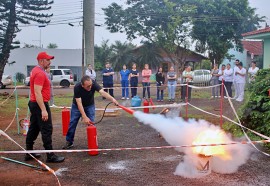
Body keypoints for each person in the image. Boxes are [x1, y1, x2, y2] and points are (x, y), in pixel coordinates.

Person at [25, 52, 65, 163]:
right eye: (48, 60)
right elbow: (38, 93)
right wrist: (43, 110)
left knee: (34, 127)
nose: (50, 62)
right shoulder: (40, 73)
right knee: (46, 129)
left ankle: (29, 152)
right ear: (41, 61)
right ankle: (50, 155)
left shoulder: (35, 70)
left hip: (34, 103)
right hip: (39, 104)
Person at [63, 75, 119, 149]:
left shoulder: (93, 83)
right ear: (82, 85)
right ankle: (69, 141)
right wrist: (84, 116)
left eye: (91, 85)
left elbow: (102, 92)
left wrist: (112, 99)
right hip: (77, 106)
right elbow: (79, 103)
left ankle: (92, 142)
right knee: (72, 122)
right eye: (88, 86)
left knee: (91, 123)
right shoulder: (77, 87)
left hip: (90, 105)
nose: (90, 87)